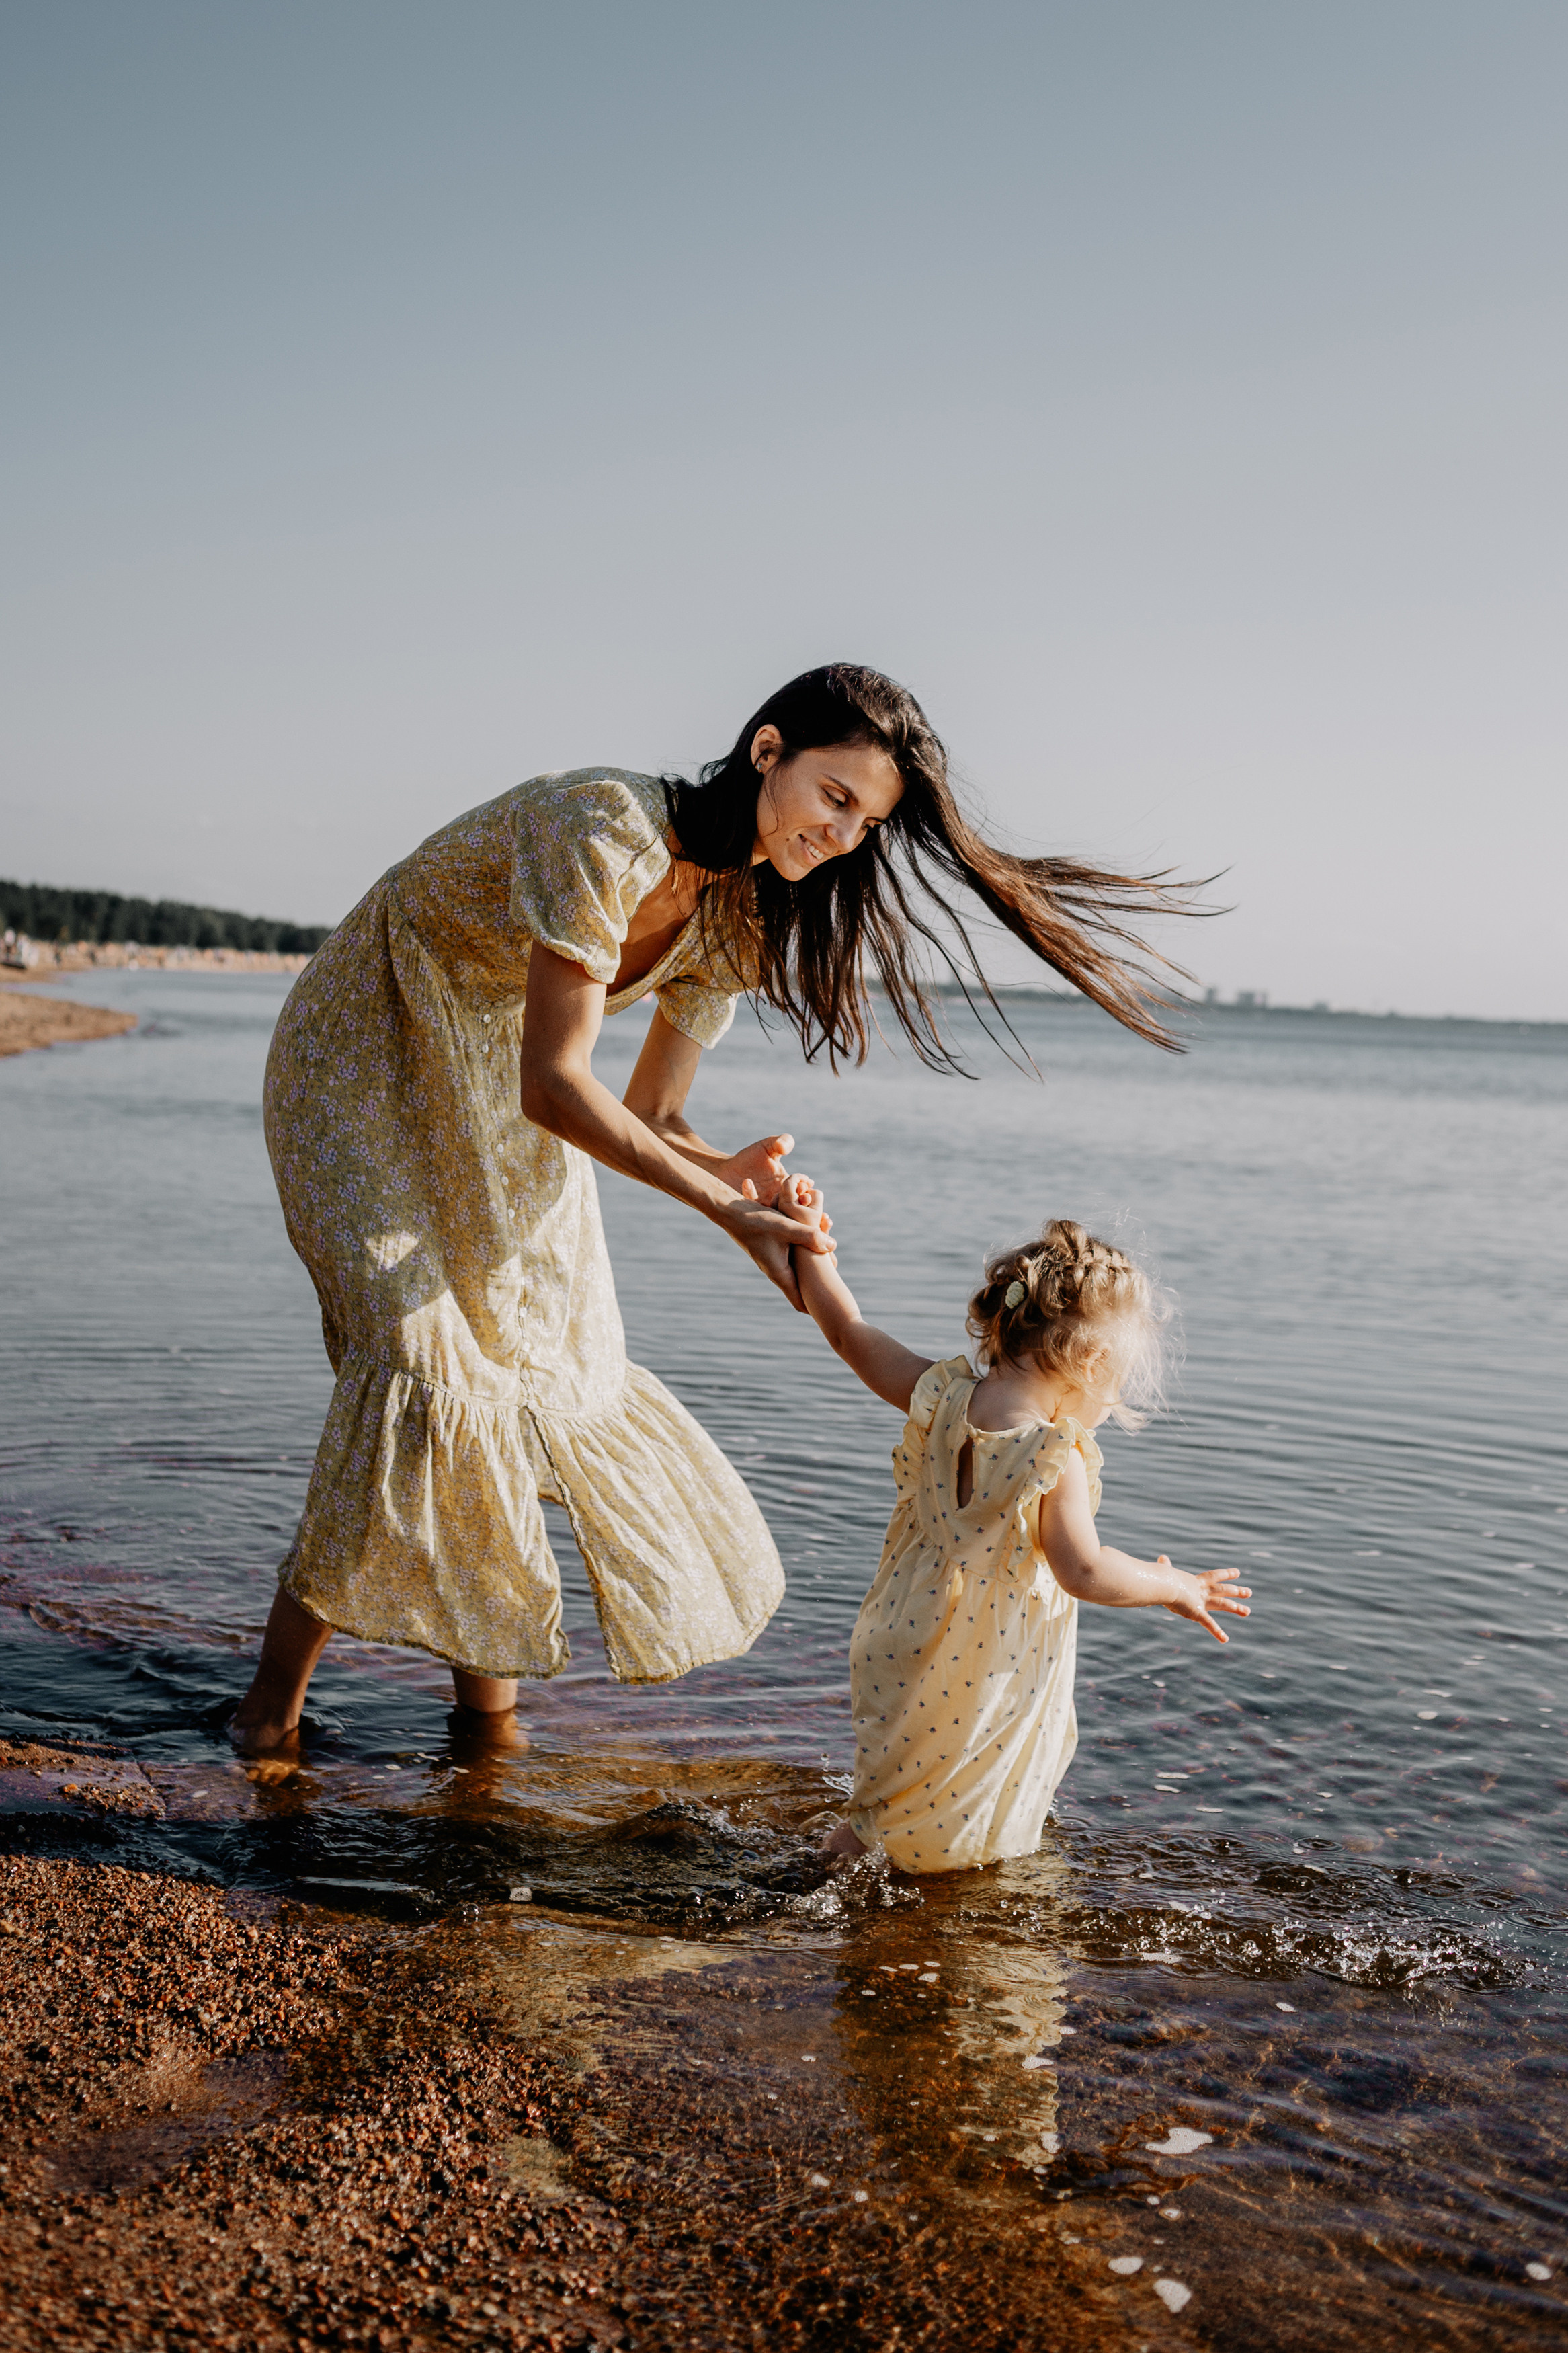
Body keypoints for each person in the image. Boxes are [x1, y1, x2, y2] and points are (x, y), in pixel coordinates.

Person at [231, 664, 1200, 1757]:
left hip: (492, 1090)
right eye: (834, 798)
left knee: (536, 1371)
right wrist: (714, 1206)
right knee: (428, 1370)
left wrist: (733, 1176)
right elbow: (556, 1082)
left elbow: (652, 1108)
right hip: (365, 1056)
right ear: (767, 751)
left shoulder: (739, 920)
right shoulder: (603, 827)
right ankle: (267, 1718)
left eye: (866, 825)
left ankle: (487, 1734)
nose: (841, 838)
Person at [774, 1187, 1251, 1871]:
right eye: (1114, 1383)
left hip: (898, 1635)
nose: (1107, 1403)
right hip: (977, 1666)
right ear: (1089, 1366)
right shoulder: (1053, 1452)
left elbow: (849, 1331)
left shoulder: (940, 1395)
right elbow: (1080, 1568)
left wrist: (807, 1244)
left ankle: (812, 1876)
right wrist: (1171, 1583)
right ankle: (940, 1897)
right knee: (958, 1792)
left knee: (884, 1795)